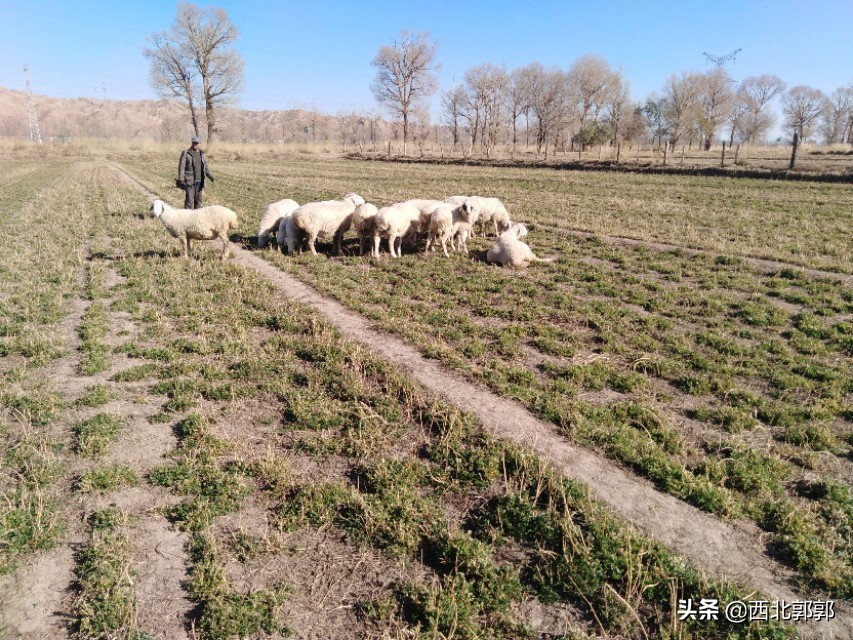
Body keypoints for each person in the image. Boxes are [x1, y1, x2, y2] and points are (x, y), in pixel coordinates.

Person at [178, 136, 215, 209]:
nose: (195, 144)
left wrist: (211, 177)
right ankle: (187, 217)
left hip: (200, 182)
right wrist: (181, 179)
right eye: (194, 143)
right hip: (190, 181)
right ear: (192, 143)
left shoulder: (202, 154)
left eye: (197, 143)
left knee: (198, 201)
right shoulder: (186, 153)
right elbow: (182, 167)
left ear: (199, 144)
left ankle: (196, 217)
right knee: (189, 201)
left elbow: (206, 168)